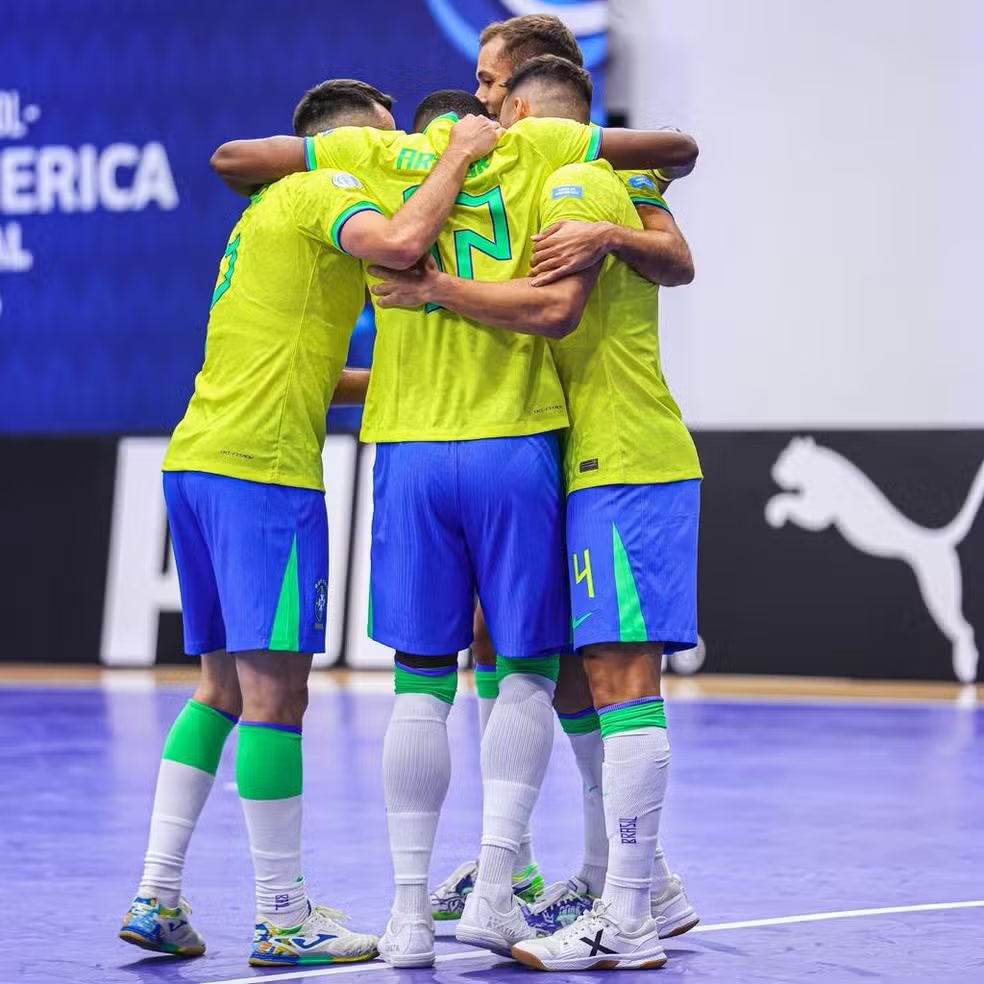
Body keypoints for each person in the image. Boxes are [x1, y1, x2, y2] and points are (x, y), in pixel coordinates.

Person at [210, 93, 698, 968]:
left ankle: (405, 918)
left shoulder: (372, 157)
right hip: (516, 438)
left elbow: (235, 156)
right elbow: (671, 151)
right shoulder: (545, 149)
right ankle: (504, 893)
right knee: (525, 670)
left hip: (407, 447)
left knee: (419, 683)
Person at [118, 78, 499, 967]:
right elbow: (405, 242)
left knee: (218, 687)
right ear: (348, 141)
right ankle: (283, 917)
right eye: (384, 141)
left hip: (197, 460)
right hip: (263, 477)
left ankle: (157, 891)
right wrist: (455, 156)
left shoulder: (260, 214)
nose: (391, 156)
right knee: (276, 697)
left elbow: (312, 371)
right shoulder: (328, 188)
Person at [371, 55, 702, 971]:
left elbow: (575, 301)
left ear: (524, 106)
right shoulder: (543, 183)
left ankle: (625, 913)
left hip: (625, 458)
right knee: (576, 674)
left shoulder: (581, 174)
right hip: (571, 461)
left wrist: (606, 234)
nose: (478, 106)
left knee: (620, 676)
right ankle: (630, 882)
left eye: (489, 89)